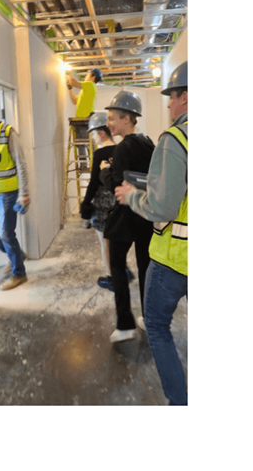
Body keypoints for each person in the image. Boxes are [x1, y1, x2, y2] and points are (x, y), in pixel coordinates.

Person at [115, 61, 188, 405]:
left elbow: (163, 207)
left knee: (157, 326)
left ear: (185, 96)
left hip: (176, 257)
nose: (169, 104)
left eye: (172, 97)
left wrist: (132, 195)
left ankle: (179, 404)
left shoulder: (176, 139)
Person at [100, 90, 155, 343]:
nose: (108, 124)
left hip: (124, 216)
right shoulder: (148, 142)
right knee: (145, 269)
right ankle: (149, 319)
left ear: (127, 119)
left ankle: (125, 325)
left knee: (117, 267)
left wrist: (105, 171)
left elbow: (117, 186)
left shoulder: (123, 147)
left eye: (112, 118)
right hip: (146, 215)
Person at [0, 101, 30, 290]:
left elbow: (21, 164)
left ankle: (19, 274)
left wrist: (24, 194)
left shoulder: (7, 132)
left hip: (8, 194)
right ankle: (15, 256)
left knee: (6, 234)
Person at [78, 111, 125, 291]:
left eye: (93, 134)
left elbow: (94, 182)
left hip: (102, 206)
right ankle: (121, 271)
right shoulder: (120, 149)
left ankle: (112, 278)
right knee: (116, 241)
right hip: (118, 202)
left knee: (105, 243)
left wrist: (85, 203)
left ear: (101, 133)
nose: (93, 138)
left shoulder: (100, 153)